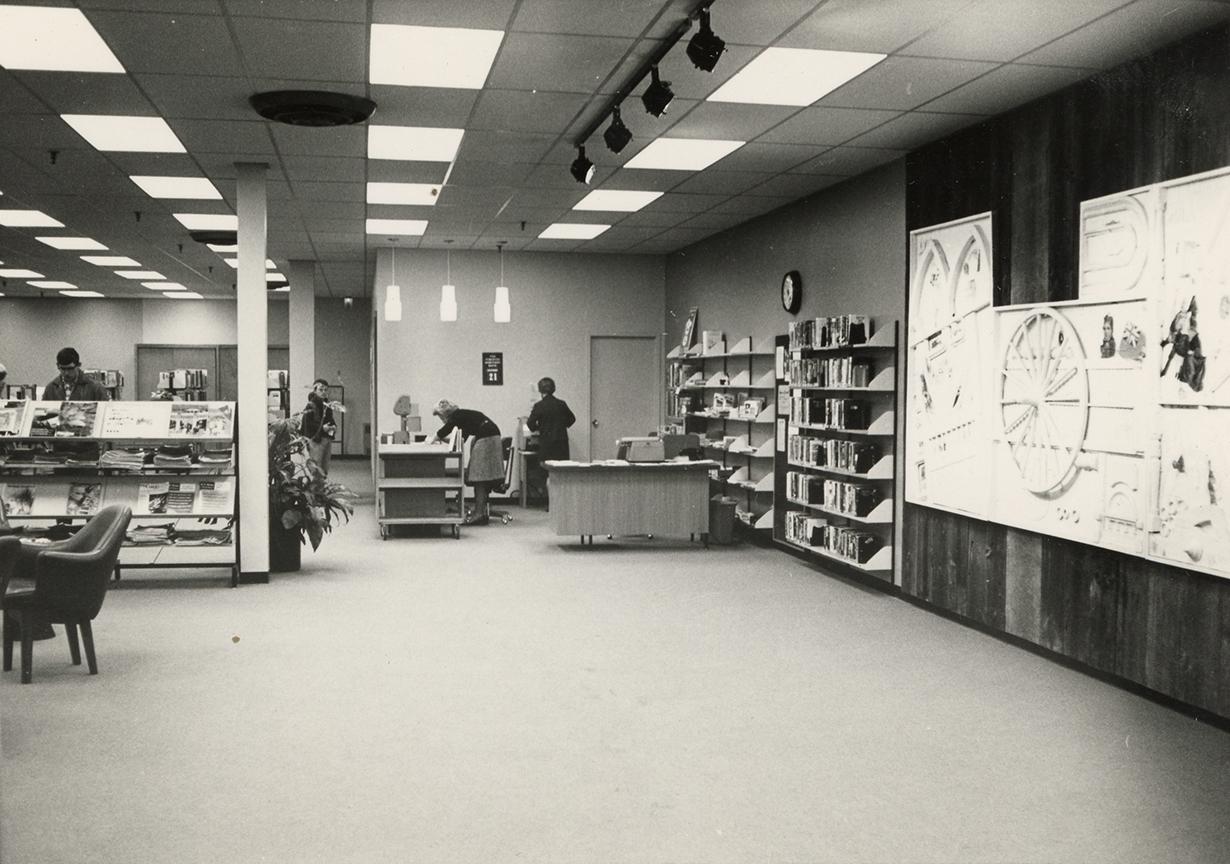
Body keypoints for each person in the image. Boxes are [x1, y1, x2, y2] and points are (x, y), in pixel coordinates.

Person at [432, 399, 501, 526]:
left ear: (445, 413)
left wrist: (433, 439)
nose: (442, 419)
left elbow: (446, 429)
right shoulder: (465, 417)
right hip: (491, 437)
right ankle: (481, 512)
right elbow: (461, 440)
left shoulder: (457, 415)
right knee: (480, 477)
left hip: (486, 439)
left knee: (479, 478)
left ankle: (479, 514)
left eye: (441, 416)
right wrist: (441, 440)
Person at [526, 377, 575, 507]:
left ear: (540, 390)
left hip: (547, 443)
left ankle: (550, 503)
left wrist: (540, 427)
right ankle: (562, 503)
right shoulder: (561, 404)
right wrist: (561, 425)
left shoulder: (539, 406)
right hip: (562, 443)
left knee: (547, 473)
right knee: (561, 473)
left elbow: (530, 424)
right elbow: (572, 419)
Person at [43, 347, 110, 401]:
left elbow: (106, 412)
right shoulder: (51, 388)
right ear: (57, 366)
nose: (66, 373)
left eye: (70, 369)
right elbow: (42, 414)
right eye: (63, 369)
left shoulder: (95, 388)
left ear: (79, 365)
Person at [300, 378, 337, 475]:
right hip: (316, 440)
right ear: (315, 390)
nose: (323, 392)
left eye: (325, 390)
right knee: (317, 467)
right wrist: (322, 428)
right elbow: (307, 424)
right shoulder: (311, 405)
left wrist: (333, 426)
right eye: (321, 389)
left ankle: (322, 488)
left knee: (325, 467)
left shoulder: (327, 404)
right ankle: (316, 489)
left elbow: (330, 419)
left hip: (326, 438)